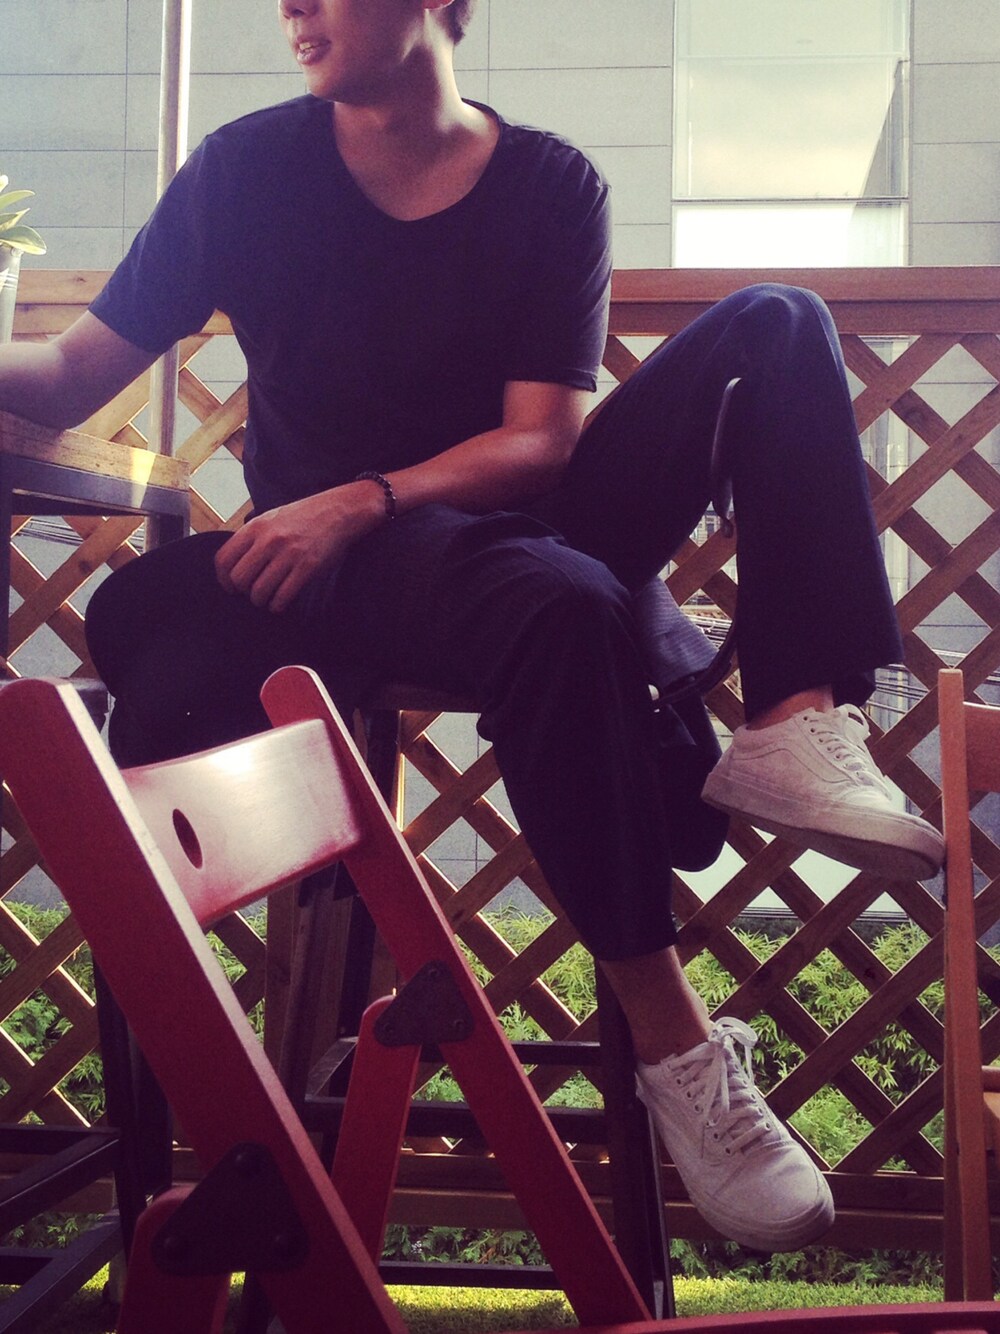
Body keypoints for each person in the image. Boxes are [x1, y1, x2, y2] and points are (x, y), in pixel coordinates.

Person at [0, 0, 943, 1256]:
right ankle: (675, 1047)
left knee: (778, 321)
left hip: (500, 526)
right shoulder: (243, 171)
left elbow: (542, 440)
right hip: (343, 576)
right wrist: (348, 510)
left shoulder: (552, 184)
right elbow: (73, 374)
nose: (292, 5)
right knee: (569, 603)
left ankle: (790, 717)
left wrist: (369, 491)